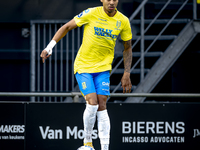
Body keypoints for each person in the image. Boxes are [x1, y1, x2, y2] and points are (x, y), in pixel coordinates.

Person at [40, 0, 132, 149]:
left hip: (103, 68)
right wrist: (49, 47)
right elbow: (67, 27)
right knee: (92, 101)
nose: (111, 2)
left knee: (102, 103)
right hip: (84, 66)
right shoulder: (91, 13)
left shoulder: (123, 21)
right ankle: (87, 143)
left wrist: (126, 72)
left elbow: (127, 47)